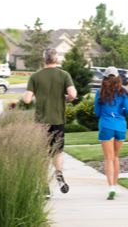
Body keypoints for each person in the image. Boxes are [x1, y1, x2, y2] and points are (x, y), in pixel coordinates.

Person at [23, 48, 77, 196]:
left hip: (41, 121)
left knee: (42, 155)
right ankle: (58, 173)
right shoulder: (64, 75)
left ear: (43, 59)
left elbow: (27, 100)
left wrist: (37, 97)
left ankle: (45, 188)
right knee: (57, 152)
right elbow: (73, 94)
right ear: (56, 60)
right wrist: (66, 98)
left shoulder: (35, 76)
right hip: (58, 120)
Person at [94, 66, 128, 200]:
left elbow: (97, 112)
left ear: (104, 77)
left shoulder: (100, 93)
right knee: (115, 157)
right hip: (120, 127)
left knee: (108, 159)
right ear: (118, 77)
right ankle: (115, 186)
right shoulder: (124, 92)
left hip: (106, 126)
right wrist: (119, 112)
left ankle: (111, 186)